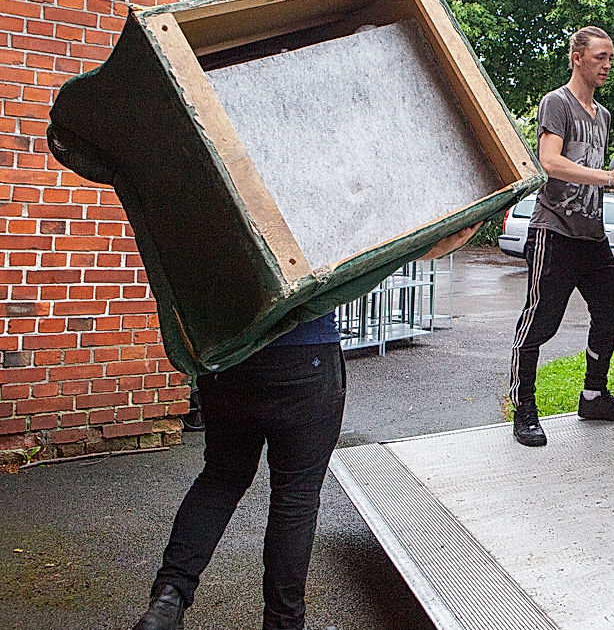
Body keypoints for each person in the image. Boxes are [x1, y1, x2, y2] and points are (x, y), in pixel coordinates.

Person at [132, 227, 478, 630]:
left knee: (221, 478)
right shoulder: (308, 188)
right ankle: (284, 624)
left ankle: (167, 602)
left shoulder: (220, 192)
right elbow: (382, 248)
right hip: (306, 358)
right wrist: (449, 238)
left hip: (231, 356)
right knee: (295, 499)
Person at [508, 26, 614, 447]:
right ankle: (523, 408)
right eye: (600, 57)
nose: (607, 65)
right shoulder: (557, 103)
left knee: (611, 309)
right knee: (540, 323)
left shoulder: (601, 116)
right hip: (555, 232)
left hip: (591, 235)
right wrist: (607, 177)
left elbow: (593, 175)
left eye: (610, 57)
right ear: (578, 58)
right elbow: (550, 161)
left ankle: (594, 395)